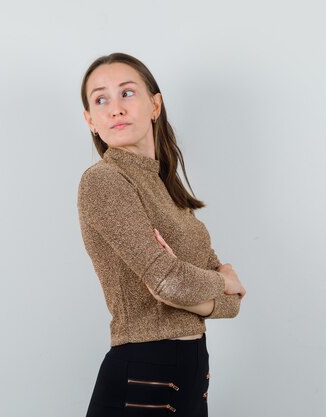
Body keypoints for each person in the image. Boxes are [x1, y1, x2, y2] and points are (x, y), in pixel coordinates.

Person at [77, 52, 246, 417]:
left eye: (127, 93)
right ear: (91, 120)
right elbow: (168, 283)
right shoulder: (104, 181)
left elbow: (230, 305)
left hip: (190, 376)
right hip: (142, 381)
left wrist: (197, 286)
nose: (115, 109)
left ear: (155, 105)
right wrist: (222, 279)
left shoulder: (170, 192)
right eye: (101, 99)